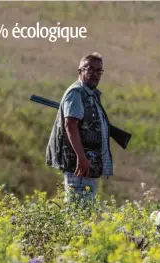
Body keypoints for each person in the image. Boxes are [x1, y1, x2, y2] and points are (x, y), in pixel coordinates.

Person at [45, 52, 113, 208]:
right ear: (80, 71)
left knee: (83, 209)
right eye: (91, 69)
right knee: (77, 209)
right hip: (79, 164)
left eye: (99, 71)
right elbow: (70, 125)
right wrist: (81, 158)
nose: (96, 74)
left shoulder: (90, 95)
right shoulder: (76, 93)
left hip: (87, 163)